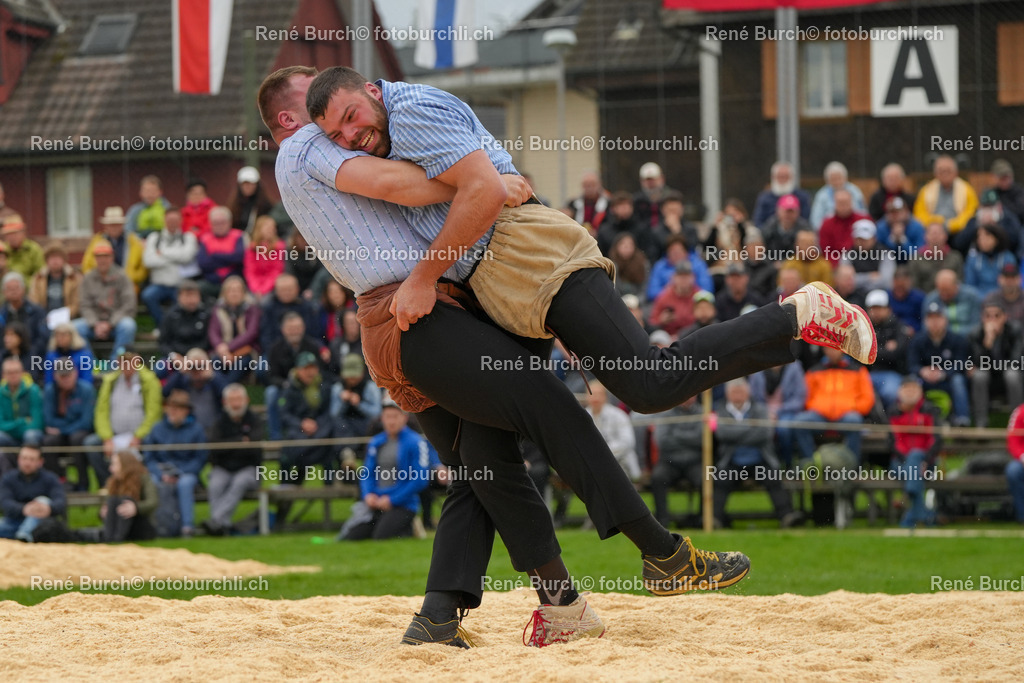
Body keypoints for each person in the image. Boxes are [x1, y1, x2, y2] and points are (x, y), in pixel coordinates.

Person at [276, 66, 870, 645]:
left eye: (346, 115)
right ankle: (539, 607)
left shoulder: (405, 112)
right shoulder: (349, 138)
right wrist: (477, 198)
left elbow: (465, 189)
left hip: (521, 253)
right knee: (485, 458)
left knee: (645, 384)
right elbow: (437, 186)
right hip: (486, 285)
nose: (342, 135)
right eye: (329, 127)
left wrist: (434, 263)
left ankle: (797, 315)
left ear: (369, 90)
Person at [712, 379, 801, 529]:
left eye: (740, 392)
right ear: (727, 394)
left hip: (760, 459)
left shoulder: (760, 409)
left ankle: (787, 516)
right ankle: (715, 519)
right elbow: (722, 434)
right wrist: (750, 429)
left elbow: (764, 434)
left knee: (773, 479)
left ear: (748, 393)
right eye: (734, 392)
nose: (737, 395)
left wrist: (736, 434)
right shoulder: (720, 410)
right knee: (720, 481)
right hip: (731, 461)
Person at [338, 400, 433, 540]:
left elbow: (420, 480)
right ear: (382, 419)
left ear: (404, 418)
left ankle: (410, 527)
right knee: (351, 537)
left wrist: (392, 499)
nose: (391, 421)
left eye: (395, 417)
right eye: (388, 417)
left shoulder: (415, 442)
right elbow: (367, 474)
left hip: (403, 504)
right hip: (376, 502)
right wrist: (368, 495)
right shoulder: (376, 442)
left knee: (380, 536)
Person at [86, 350, 163, 485]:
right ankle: (108, 484)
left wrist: (138, 436)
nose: (126, 365)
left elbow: (154, 413)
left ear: (137, 361)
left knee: (152, 444)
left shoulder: (149, 380)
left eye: (129, 360)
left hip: (142, 436)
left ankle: (144, 484)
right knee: (91, 444)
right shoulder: (111, 381)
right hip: (114, 435)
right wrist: (107, 438)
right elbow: (101, 411)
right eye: (123, 361)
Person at [143, 389, 208, 537]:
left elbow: (200, 459)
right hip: (161, 471)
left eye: (177, 409)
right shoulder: (157, 428)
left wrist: (179, 473)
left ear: (186, 411)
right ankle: (156, 525)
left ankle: (187, 527)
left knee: (185, 484)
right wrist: (160, 473)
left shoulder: (196, 430)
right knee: (152, 482)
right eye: (170, 408)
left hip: (186, 472)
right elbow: (149, 457)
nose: (172, 412)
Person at [794, 347, 875, 464]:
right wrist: (818, 407)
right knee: (800, 422)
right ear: (824, 350)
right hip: (819, 416)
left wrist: (852, 407)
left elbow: (867, 399)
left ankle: (850, 466)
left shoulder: (858, 370)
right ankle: (810, 464)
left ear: (842, 350)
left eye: (835, 349)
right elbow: (805, 397)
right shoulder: (814, 371)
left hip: (847, 416)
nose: (832, 352)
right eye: (829, 349)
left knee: (854, 420)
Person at [205, 384, 263, 536]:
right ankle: (221, 525)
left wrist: (229, 446)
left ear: (246, 400)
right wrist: (240, 441)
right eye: (232, 400)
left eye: (239, 399)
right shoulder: (219, 422)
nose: (236, 404)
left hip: (249, 469)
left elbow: (254, 448)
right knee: (215, 484)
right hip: (223, 468)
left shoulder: (255, 421)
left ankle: (215, 521)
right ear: (225, 402)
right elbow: (215, 448)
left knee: (240, 482)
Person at [888, 377, 943, 528]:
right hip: (900, 463)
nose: (910, 391)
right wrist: (910, 462)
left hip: (927, 463)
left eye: (914, 388)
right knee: (914, 463)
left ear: (920, 391)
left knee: (916, 456)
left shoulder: (930, 410)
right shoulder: (894, 412)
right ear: (900, 391)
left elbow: (935, 440)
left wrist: (925, 460)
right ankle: (925, 517)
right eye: (907, 388)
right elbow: (894, 442)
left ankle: (911, 518)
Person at [907, 301, 971, 427]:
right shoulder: (917, 341)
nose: (934, 322)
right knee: (912, 380)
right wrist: (922, 371)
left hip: (947, 379)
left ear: (945, 320)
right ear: (925, 321)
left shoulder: (957, 340)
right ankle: (912, 419)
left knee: (958, 380)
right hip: (925, 380)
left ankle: (962, 419)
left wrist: (944, 373)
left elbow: (962, 364)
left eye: (938, 317)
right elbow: (911, 364)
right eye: (931, 318)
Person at [277, 351, 336, 484]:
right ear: (297, 370)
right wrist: (301, 424)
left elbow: (328, 412)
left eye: (312, 368)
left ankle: (329, 486)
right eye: (306, 368)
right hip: (297, 432)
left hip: (320, 431)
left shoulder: (325, 387)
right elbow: (284, 414)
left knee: (327, 444)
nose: (310, 372)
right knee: (287, 453)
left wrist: (316, 424)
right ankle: (285, 486)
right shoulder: (289, 389)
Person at [75, 241, 137, 359]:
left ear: (112, 257)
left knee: (128, 326)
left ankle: (115, 365)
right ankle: (91, 364)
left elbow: (128, 305)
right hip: (94, 325)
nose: (102, 260)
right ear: (95, 259)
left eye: (106, 256)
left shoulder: (122, 277)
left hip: (116, 323)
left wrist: (110, 324)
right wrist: (95, 324)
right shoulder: (88, 278)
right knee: (75, 328)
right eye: (99, 257)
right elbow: (84, 305)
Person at [648, 395, 704, 527]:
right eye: (684, 394)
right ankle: (662, 521)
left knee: (707, 479)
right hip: (669, 461)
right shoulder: (665, 413)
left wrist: (675, 435)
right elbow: (661, 441)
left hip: (695, 462)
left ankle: (701, 520)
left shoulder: (703, 412)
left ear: (696, 395)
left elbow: (702, 440)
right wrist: (691, 439)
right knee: (658, 478)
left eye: (691, 394)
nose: (687, 397)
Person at [967, 301, 1023, 428]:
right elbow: (978, 362)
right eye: (988, 316)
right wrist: (988, 341)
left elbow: (1016, 360)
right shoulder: (976, 334)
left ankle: (1018, 422)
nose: (992, 320)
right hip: (988, 376)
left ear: (1005, 317)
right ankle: (981, 423)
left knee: (1012, 375)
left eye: (997, 315)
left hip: (1009, 374)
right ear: (982, 318)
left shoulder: (1014, 331)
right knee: (979, 376)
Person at [141, 206, 200, 326]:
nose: (172, 223)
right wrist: (177, 257)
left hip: (180, 284)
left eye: (175, 220)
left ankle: (178, 327)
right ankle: (163, 326)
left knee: (184, 299)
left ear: (181, 221)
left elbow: (187, 257)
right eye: (169, 220)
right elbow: (148, 261)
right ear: (164, 220)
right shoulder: (154, 237)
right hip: (159, 285)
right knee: (148, 295)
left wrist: (162, 253)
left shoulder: (188, 237)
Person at [42, 360, 94, 488]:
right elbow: (48, 420)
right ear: (55, 376)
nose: (65, 380)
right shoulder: (50, 391)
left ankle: (83, 484)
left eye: (68, 375)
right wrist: (69, 424)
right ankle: (58, 482)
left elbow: (86, 422)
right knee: (48, 441)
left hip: (77, 432)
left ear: (75, 373)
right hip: (61, 434)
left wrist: (63, 429)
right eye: (62, 376)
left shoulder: (86, 390)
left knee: (77, 439)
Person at [749, 361, 806, 469]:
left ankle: (788, 462)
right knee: (762, 429)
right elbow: (753, 398)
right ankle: (765, 464)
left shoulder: (794, 368)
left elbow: (799, 398)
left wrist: (777, 412)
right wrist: (765, 412)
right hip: (763, 412)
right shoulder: (757, 371)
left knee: (784, 430)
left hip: (787, 411)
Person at [0, 445, 65, 541]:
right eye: (24, 458)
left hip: (41, 525)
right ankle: (23, 535)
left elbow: (60, 501)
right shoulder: (8, 478)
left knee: (43, 500)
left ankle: (24, 535)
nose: (27, 463)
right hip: (13, 522)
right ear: (18, 459)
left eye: (32, 459)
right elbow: (5, 502)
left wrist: (48, 509)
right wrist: (24, 509)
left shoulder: (50, 479)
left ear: (40, 462)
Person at [162, 348, 228, 437]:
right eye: (192, 366)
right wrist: (181, 372)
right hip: (188, 433)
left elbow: (228, 394)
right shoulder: (183, 381)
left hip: (213, 431)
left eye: (201, 366)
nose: (197, 370)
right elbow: (165, 392)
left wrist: (212, 376)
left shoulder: (214, 381)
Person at [209, 275, 261, 382]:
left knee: (240, 365)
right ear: (224, 293)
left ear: (243, 292)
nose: (234, 293)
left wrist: (228, 348)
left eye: (238, 290)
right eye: (231, 290)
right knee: (215, 362)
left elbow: (251, 333)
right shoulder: (218, 309)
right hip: (222, 352)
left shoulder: (252, 309)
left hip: (245, 351)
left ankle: (225, 389)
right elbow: (213, 332)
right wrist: (220, 347)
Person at [81, 206, 148, 290]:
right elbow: (86, 266)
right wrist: (98, 279)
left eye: (117, 224)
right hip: (102, 284)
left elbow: (143, 267)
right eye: (111, 225)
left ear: (122, 225)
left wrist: (130, 277)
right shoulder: (97, 241)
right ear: (106, 226)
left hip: (127, 284)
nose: (114, 228)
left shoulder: (133, 241)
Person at [585, 383, 640, 481]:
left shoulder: (619, 415)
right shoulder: (582, 416)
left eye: (599, 394)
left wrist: (601, 453)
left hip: (618, 461)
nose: (595, 397)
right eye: (591, 394)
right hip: (590, 462)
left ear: (605, 397)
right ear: (586, 396)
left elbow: (627, 442)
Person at [100, 450, 158, 542]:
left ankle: (117, 538)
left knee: (126, 500)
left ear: (125, 465)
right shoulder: (113, 482)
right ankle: (110, 537)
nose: (111, 468)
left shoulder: (143, 479)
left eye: (115, 464)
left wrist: (136, 508)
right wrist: (104, 510)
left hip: (140, 525)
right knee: (112, 501)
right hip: (120, 524)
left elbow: (152, 502)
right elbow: (109, 503)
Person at [865, 290, 909, 409]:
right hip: (867, 373)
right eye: (873, 308)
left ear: (888, 309)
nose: (876, 312)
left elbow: (897, 353)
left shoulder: (898, 326)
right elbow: (859, 354)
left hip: (892, 372)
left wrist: (872, 351)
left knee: (890, 393)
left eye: (879, 308)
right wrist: (884, 349)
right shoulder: (864, 327)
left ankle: (890, 419)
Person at [913, 155, 979, 234]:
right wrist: (934, 224)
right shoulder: (926, 190)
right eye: (941, 171)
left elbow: (971, 213)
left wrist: (952, 225)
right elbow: (919, 214)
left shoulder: (966, 189)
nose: (944, 174)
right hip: (933, 231)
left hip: (958, 231)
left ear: (955, 172)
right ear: (935, 173)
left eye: (948, 171)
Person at [0, 357, 43, 470]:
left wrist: (11, 426)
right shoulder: (0, 393)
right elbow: (0, 424)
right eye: (9, 373)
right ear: (4, 375)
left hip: (28, 434)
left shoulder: (33, 390)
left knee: (31, 435)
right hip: (8, 436)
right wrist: (22, 421)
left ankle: (31, 472)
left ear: (22, 373)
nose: (13, 375)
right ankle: (9, 475)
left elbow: (37, 423)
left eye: (16, 372)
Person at [197, 206, 247, 302]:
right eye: (216, 223)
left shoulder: (238, 236)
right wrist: (228, 259)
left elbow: (238, 258)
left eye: (223, 222)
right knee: (198, 288)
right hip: (212, 281)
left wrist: (214, 256)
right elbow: (203, 263)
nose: (219, 226)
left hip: (234, 279)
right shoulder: (205, 238)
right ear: (210, 223)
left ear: (230, 222)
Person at [260, 273, 319, 353]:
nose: (286, 293)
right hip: (276, 351)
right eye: (283, 290)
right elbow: (266, 336)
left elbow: (314, 334)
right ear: (276, 291)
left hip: (305, 350)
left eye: (289, 289)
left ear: (297, 289)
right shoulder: (269, 308)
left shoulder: (307, 307)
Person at [646, 234, 713, 301]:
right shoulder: (660, 266)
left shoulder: (698, 264)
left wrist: (690, 288)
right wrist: (670, 288)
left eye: (679, 251)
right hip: (668, 303)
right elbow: (652, 293)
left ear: (686, 252)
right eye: (673, 252)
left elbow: (707, 290)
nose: (676, 255)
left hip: (694, 302)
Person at [331, 354, 382, 441]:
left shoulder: (370, 387)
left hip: (365, 425)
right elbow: (334, 414)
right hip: (345, 429)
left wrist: (359, 404)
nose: (352, 380)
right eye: (349, 377)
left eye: (355, 376)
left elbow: (377, 413)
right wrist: (342, 402)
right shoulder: (338, 388)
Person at [0, 271, 49, 361]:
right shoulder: (2, 314)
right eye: (9, 289)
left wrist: (29, 355)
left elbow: (43, 338)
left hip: (32, 357)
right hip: (5, 358)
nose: (13, 291)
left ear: (23, 289)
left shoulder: (37, 311)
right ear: (4, 292)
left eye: (16, 288)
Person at [158, 281, 210, 362]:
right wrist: (173, 355)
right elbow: (163, 342)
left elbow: (209, 340)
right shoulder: (170, 315)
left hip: (200, 357)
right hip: (176, 357)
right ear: (179, 297)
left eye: (194, 295)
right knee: (160, 366)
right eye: (187, 296)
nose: (191, 300)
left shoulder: (206, 314)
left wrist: (195, 355)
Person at [649, 260, 704, 336]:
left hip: (694, 335)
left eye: (687, 276)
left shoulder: (700, 296)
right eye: (680, 276)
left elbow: (710, 318)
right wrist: (661, 320)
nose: (684, 279)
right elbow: (652, 322)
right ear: (673, 277)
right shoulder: (664, 296)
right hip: (669, 337)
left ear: (693, 277)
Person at [596, 191, 655, 261]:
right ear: (613, 209)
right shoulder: (604, 231)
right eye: (620, 205)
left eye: (628, 205)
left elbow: (650, 252)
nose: (625, 208)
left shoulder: (642, 228)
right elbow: (600, 255)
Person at [29, 242, 81, 319]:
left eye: (58, 257)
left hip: (68, 318)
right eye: (52, 258)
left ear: (64, 260)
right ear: (46, 260)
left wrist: (61, 315)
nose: (55, 261)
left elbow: (77, 304)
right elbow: (34, 301)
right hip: (44, 317)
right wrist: (43, 316)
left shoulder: (74, 278)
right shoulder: (38, 278)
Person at [921, 269, 982, 336]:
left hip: (968, 338)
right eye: (941, 291)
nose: (944, 294)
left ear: (956, 285)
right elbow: (925, 327)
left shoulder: (972, 296)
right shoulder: (931, 300)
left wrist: (955, 335)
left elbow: (977, 324)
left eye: (947, 290)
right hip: (941, 339)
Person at [819, 188, 870, 266]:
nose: (843, 206)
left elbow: (872, 245)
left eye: (846, 202)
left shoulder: (864, 220)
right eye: (840, 203)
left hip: (863, 262)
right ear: (834, 203)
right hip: (836, 266)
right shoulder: (826, 224)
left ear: (851, 202)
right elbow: (826, 251)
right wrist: (839, 265)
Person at [809, 161, 866, 230]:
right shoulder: (821, 195)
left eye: (839, 178)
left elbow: (863, 212)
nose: (837, 182)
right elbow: (816, 219)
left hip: (853, 229)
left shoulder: (855, 192)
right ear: (827, 180)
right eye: (833, 179)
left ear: (845, 178)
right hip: (830, 231)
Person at [842, 219, 895, 291]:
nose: (861, 242)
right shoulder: (848, 254)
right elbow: (844, 280)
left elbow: (886, 281)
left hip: (878, 292)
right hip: (853, 293)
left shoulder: (885, 254)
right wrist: (869, 277)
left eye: (865, 239)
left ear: (874, 238)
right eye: (858, 239)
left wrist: (857, 280)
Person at [752, 161, 811, 227]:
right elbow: (758, 222)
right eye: (780, 176)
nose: (782, 180)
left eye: (785, 176)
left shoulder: (802, 197)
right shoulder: (764, 198)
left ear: (792, 177)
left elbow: (806, 220)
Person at [964, 223, 1016, 297]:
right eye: (979, 237)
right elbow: (969, 285)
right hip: (978, 299)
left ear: (996, 238)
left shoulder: (1008, 258)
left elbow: (1011, 283)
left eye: (987, 236)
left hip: (1002, 298)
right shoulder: (973, 259)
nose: (982, 240)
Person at [243, 215, 285, 298]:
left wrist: (263, 290)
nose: (271, 230)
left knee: (266, 301)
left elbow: (276, 271)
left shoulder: (279, 247)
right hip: (254, 287)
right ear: (259, 229)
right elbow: (250, 271)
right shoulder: (252, 248)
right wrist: (256, 289)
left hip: (272, 287)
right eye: (268, 227)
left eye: (273, 228)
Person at [651, 191, 700, 259]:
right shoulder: (655, 231)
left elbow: (692, 249)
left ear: (682, 210)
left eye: (676, 210)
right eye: (670, 210)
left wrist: (677, 231)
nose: (673, 213)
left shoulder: (690, 229)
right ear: (663, 210)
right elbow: (654, 254)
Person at [227, 166, 274, 233]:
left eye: (250, 183)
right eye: (244, 184)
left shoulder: (266, 205)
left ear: (257, 185)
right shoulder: (234, 206)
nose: (247, 186)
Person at [633, 161, 680, 229]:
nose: (651, 183)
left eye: (653, 179)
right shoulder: (637, 200)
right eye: (647, 180)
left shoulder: (672, 197)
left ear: (662, 178)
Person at [564, 170, 609, 235]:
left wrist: (598, 232)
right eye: (586, 185)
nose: (589, 188)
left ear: (599, 184)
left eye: (592, 184)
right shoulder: (573, 204)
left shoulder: (608, 204)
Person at [607, 232, 649, 301]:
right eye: (623, 244)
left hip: (639, 302)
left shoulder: (643, 264)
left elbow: (645, 289)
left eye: (630, 244)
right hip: (617, 302)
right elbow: (612, 290)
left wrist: (637, 301)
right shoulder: (611, 266)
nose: (627, 247)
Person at [1, 215, 44, 279]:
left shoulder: (33, 249)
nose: (12, 237)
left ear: (23, 233)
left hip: (29, 284)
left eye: (14, 233)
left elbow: (40, 273)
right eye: (8, 234)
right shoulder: (3, 250)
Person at [889, 266, 925, 335]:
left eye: (902, 287)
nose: (900, 290)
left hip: (914, 335)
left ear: (909, 283)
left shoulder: (919, 298)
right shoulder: (887, 297)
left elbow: (924, 321)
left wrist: (915, 329)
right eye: (897, 287)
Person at [988, 159, 1024, 224]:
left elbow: (1020, 212)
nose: (1005, 181)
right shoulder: (991, 192)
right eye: (1002, 179)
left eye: (1007, 178)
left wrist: (1002, 206)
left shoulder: (1018, 192)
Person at [1005, 403, 1024, 524]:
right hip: (1022, 461)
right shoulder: (1020, 412)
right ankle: (1022, 515)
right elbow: (1012, 439)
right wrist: (1022, 456)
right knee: (1013, 471)